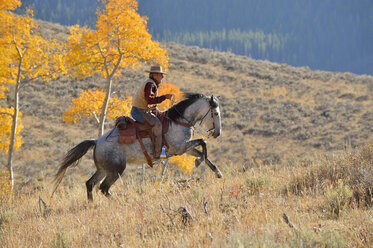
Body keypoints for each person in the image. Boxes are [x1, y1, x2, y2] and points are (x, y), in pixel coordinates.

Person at [131, 65, 173, 159]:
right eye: (160, 75)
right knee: (158, 125)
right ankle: (157, 154)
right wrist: (165, 97)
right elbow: (150, 100)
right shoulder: (150, 85)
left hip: (141, 110)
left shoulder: (151, 84)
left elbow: (150, 102)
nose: (162, 77)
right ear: (154, 75)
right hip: (139, 111)